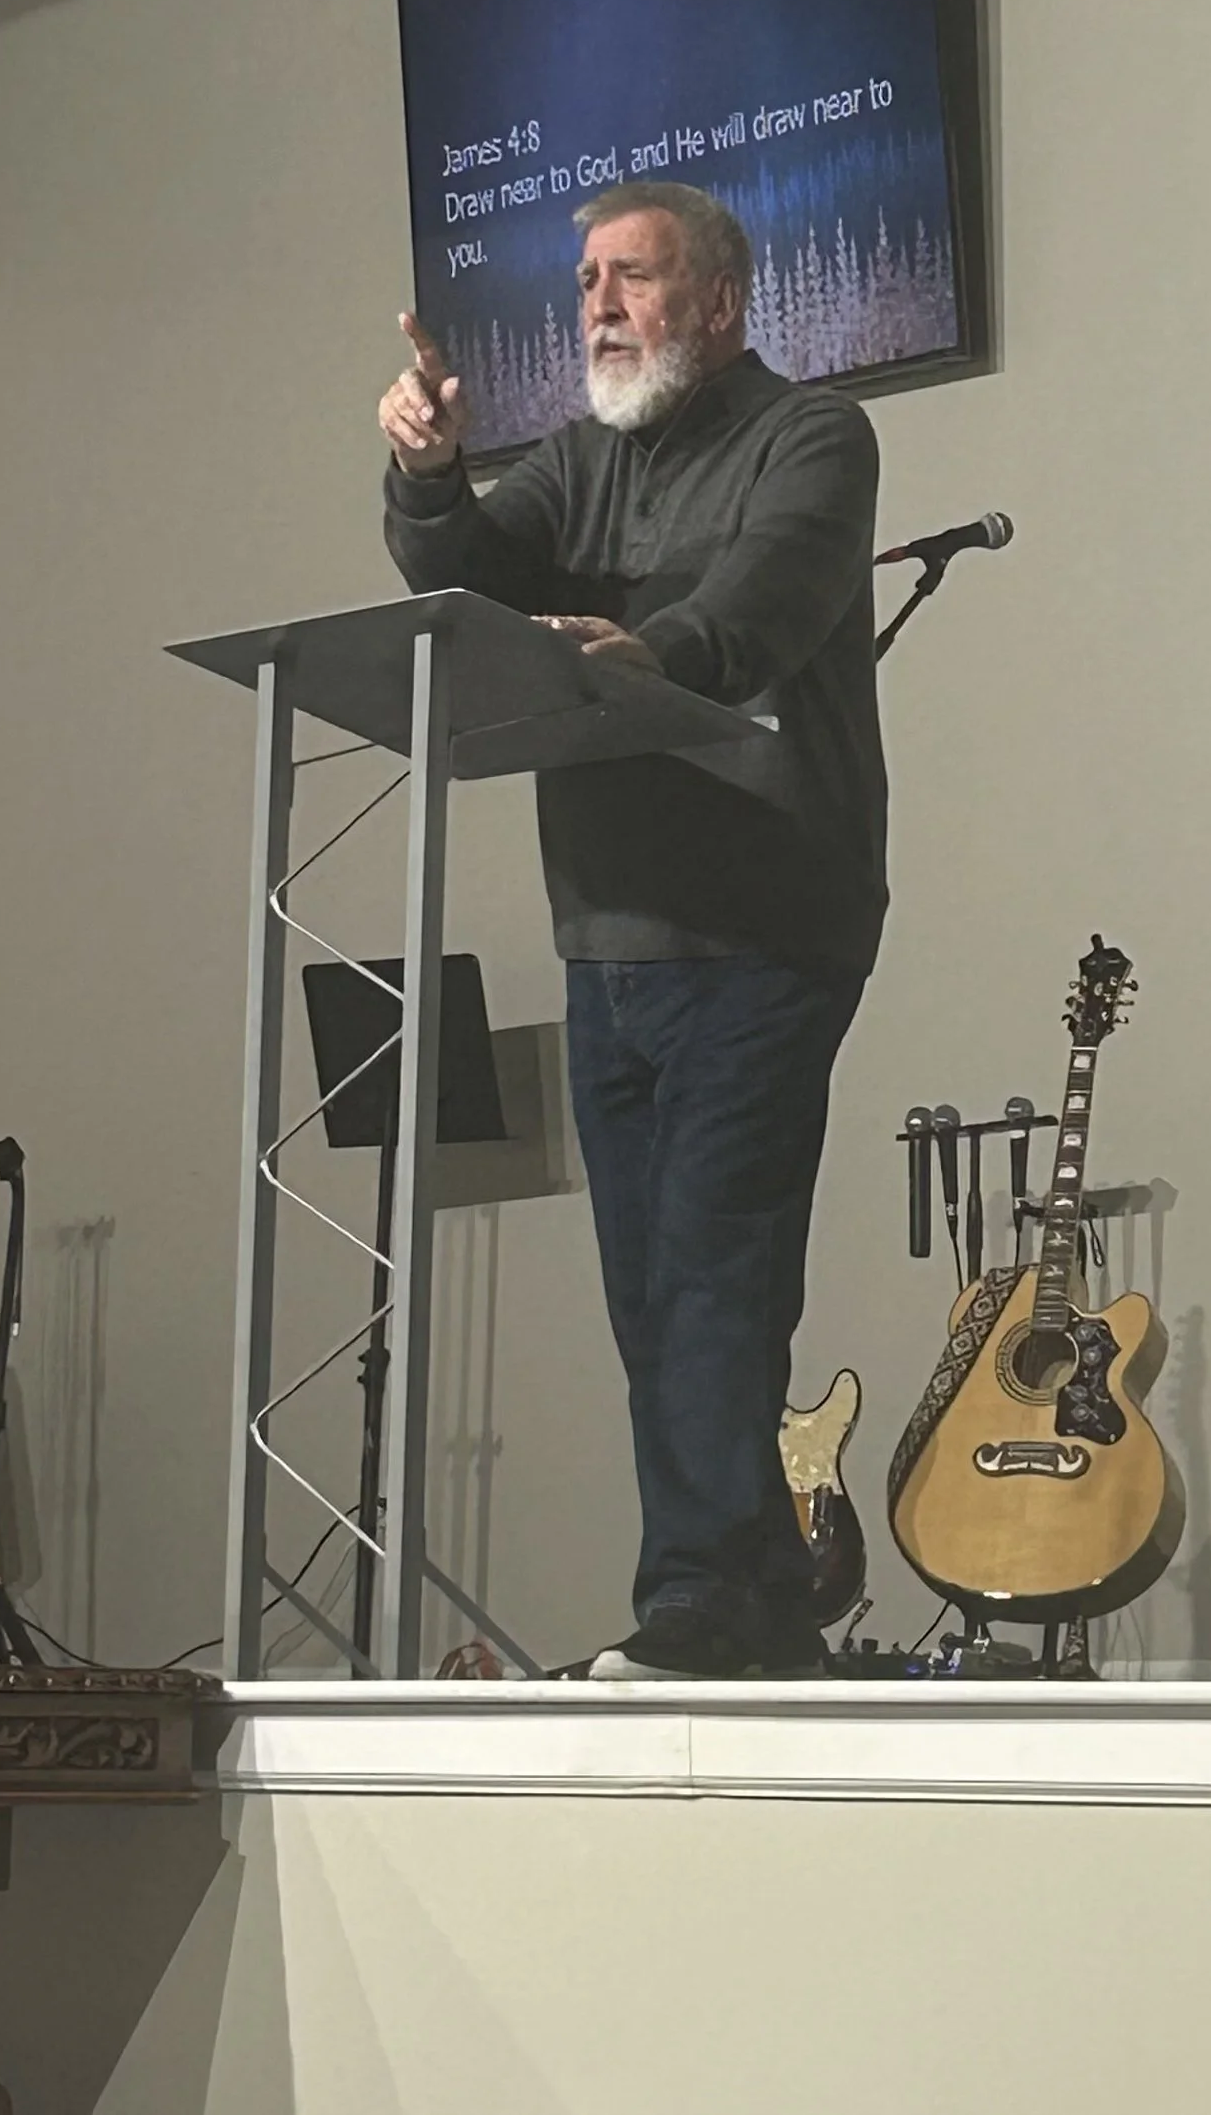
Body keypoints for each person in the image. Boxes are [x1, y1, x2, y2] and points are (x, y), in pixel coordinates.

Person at [378, 180, 885, 1679]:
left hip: (766, 928)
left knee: (719, 1276)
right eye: (587, 279)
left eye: (633, 278)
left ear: (720, 303)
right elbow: (461, 578)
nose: (598, 304)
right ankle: (750, 1610)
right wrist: (430, 472)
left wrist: (643, 651)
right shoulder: (576, 463)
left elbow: (761, 606)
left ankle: (699, 1611)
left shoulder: (813, 437)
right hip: (607, 934)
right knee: (650, 1303)